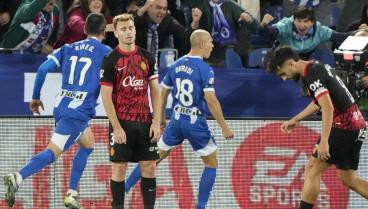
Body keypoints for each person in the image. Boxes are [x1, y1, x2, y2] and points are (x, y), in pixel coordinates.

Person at [3, 13, 112, 209]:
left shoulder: (68, 48)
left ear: (85, 30)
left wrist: (36, 98)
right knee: (52, 152)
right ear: (104, 32)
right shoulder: (106, 52)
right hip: (78, 113)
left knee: (88, 145)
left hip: (61, 106)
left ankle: (71, 194)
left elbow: (43, 70)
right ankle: (17, 177)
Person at [124, 29, 234, 209]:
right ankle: (200, 207)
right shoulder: (206, 69)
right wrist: (224, 127)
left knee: (153, 159)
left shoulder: (176, 64)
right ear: (201, 44)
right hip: (194, 123)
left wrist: (160, 118)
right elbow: (211, 100)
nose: (213, 46)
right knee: (211, 162)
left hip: (176, 120)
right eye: (210, 43)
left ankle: (124, 189)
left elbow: (163, 90)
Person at [266, 45, 368, 209]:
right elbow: (318, 103)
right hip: (357, 124)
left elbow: (327, 107)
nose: (284, 78)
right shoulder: (316, 66)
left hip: (344, 125)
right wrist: (296, 119)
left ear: (292, 64)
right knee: (349, 179)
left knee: (312, 170)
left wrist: (324, 141)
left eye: (283, 73)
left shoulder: (312, 74)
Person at [99, 13, 161, 209]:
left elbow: (156, 92)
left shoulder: (147, 57)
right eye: (124, 29)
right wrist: (116, 127)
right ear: (116, 33)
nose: (128, 32)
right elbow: (106, 97)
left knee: (150, 167)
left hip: (144, 122)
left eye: (131, 28)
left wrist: (156, 122)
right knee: (119, 168)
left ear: (135, 29)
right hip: (121, 123)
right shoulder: (110, 60)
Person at [259, 5, 351, 60]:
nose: (302, 25)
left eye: (306, 21)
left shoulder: (319, 30)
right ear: (294, 20)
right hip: (278, 58)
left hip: (302, 61)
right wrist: (263, 25)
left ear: (312, 22)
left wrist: (362, 32)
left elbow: (342, 37)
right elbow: (266, 32)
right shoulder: (285, 25)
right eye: (299, 21)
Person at [186, 0, 259, 67]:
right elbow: (187, 37)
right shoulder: (199, 3)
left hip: (220, 61)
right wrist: (195, 22)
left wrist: (249, 19)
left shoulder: (229, 5)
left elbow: (256, 25)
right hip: (200, 61)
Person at [133, 0, 201, 60]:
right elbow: (125, 24)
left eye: (164, 9)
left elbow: (184, 35)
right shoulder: (138, 17)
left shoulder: (166, 19)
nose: (162, 12)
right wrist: (142, 10)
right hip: (132, 64)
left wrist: (195, 23)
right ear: (148, 7)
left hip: (153, 67)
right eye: (158, 7)